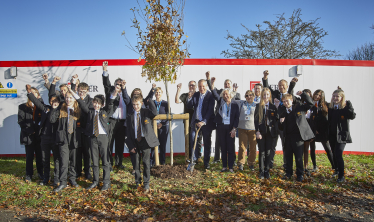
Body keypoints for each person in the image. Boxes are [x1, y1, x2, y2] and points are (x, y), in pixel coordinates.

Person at [71, 86, 117, 191]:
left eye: (98, 103)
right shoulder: (90, 112)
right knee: (94, 161)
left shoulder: (105, 112)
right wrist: (72, 92)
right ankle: (95, 181)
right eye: (95, 103)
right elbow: (80, 102)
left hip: (103, 138)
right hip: (92, 138)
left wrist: (115, 92)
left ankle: (106, 182)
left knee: (105, 161)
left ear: (101, 105)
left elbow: (110, 103)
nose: (96, 105)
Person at [49, 82, 81, 192]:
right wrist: (53, 109)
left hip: (74, 137)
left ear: (74, 98)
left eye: (70, 98)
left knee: (73, 161)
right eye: (67, 98)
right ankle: (62, 182)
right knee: (64, 161)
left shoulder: (78, 109)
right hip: (63, 138)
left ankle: (72, 179)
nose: (68, 100)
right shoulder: (60, 108)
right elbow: (52, 120)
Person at [26, 84, 60, 186]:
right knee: (45, 159)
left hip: (55, 139)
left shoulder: (60, 111)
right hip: (44, 138)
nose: (53, 102)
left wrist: (52, 84)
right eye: (51, 100)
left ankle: (57, 179)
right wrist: (29, 93)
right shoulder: (46, 109)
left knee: (57, 160)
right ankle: (46, 178)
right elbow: (36, 101)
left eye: (55, 101)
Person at [262, 70, 298, 169]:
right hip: (274, 124)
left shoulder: (289, 95)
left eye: (283, 85)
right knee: (272, 145)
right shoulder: (275, 94)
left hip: (285, 125)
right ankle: (270, 163)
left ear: (286, 86)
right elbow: (267, 88)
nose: (281, 87)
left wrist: (292, 83)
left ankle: (286, 164)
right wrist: (265, 78)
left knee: (285, 145)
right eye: (279, 85)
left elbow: (291, 90)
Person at [206, 72, 239, 173]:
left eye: (227, 94)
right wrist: (212, 83)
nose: (225, 95)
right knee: (223, 147)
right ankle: (224, 166)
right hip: (221, 127)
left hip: (230, 128)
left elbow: (237, 118)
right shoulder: (220, 101)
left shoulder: (235, 105)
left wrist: (234, 129)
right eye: (224, 94)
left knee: (230, 147)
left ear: (230, 95)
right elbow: (214, 92)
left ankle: (231, 167)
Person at [126, 95, 159, 193]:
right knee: (136, 164)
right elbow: (127, 132)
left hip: (145, 140)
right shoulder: (130, 116)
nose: (135, 106)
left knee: (146, 162)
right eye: (134, 105)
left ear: (141, 103)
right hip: (135, 141)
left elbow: (155, 113)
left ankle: (146, 183)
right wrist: (130, 146)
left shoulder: (146, 112)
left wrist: (150, 102)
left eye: (137, 104)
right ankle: (137, 182)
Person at [102, 61, 131, 170]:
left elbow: (128, 102)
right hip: (111, 121)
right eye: (117, 84)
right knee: (109, 142)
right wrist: (105, 71)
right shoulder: (110, 91)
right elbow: (105, 83)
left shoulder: (125, 94)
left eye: (120, 84)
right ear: (114, 85)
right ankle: (109, 163)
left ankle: (119, 163)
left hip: (122, 123)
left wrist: (124, 88)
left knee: (120, 144)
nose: (118, 86)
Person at [279, 92, 314, 182]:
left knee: (298, 157)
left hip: (298, 137)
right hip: (288, 138)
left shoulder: (298, 107)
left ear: (291, 100)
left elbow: (310, 103)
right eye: (284, 101)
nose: (285, 103)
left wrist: (303, 94)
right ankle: (288, 173)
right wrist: (281, 122)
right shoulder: (283, 113)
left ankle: (299, 174)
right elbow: (281, 128)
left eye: (287, 101)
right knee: (288, 157)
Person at [328, 88, 356, 183]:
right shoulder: (331, 107)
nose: (335, 98)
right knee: (334, 154)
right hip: (332, 135)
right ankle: (336, 170)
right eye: (334, 96)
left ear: (342, 97)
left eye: (338, 96)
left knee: (338, 153)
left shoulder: (345, 108)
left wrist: (349, 105)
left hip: (342, 135)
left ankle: (341, 175)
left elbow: (352, 116)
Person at [187, 79, 215, 169]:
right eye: (199, 86)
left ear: (206, 85)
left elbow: (210, 110)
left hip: (206, 123)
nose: (201, 88)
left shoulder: (210, 96)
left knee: (207, 142)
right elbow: (189, 106)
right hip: (196, 122)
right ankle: (194, 159)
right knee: (192, 138)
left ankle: (206, 162)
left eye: (203, 86)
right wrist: (189, 98)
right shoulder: (196, 94)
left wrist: (203, 121)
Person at [18, 87, 44, 182]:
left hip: (39, 136)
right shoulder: (22, 107)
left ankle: (41, 173)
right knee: (29, 157)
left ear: (38, 95)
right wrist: (31, 131)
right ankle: (29, 175)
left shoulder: (40, 107)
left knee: (40, 156)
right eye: (31, 93)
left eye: (35, 93)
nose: (33, 95)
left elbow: (44, 120)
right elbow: (21, 122)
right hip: (28, 136)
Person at [254, 88, 279, 179]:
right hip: (261, 132)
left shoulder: (273, 106)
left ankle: (267, 170)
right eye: (264, 95)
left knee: (268, 152)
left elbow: (277, 119)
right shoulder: (258, 106)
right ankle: (261, 171)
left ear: (270, 96)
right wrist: (257, 131)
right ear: (261, 96)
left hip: (270, 133)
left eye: (267, 95)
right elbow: (256, 121)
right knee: (261, 152)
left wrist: (277, 108)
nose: (266, 97)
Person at [175, 81, 203, 163]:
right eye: (190, 85)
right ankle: (189, 156)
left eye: (193, 85)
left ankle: (198, 157)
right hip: (187, 121)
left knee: (198, 139)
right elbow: (177, 101)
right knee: (188, 138)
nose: (191, 86)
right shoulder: (185, 95)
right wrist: (178, 90)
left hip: (197, 121)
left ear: (196, 87)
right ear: (188, 86)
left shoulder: (198, 95)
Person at [309, 89, 335, 172]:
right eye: (316, 94)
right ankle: (314, 166)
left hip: (322, 131)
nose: (317, 96)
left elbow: (325, 120)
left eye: (319, 95)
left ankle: (334, 166)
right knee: (312, 148)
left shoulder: (325, 105)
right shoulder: (310, 104)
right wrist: (314, 129)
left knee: (327, 148)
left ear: (322, 97)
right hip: (312, 130)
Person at [74, 81, 94, 180]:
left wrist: (80, 101)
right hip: (76, 130)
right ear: (77, 91)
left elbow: (88, 112)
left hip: (86, 130)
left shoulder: (91, 101)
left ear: (87, 91)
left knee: (87, 152)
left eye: (83, 91)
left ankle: (87, 171)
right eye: (80, 91)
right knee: (77, 152)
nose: (81, 93)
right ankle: (78, 171)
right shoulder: (73, 99)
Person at [237, 90, 257, 171]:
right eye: (247, 95)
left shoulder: (257, 105)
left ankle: (251, 163)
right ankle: (241, 163)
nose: (249, 97)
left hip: (253, 129)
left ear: (254, 96)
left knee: (253, 148)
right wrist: (235, 91)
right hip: (242, 128)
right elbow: (232, 99)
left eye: (251, 95)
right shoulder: (241, 103)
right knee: (242, 147)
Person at [150, 87, 169, 166]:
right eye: (156, 92)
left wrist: (162, 123)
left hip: (163, 126)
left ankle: (162, 161)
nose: (158, 94)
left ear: (162, 93)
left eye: (159, 92)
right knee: (153, 144)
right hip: (153, 127)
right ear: (155, 94)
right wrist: (153, 124)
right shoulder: (151, 103)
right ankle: (153, 162)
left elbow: (168, 115)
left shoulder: (166, 103)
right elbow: (149, 114)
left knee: (162, 145)